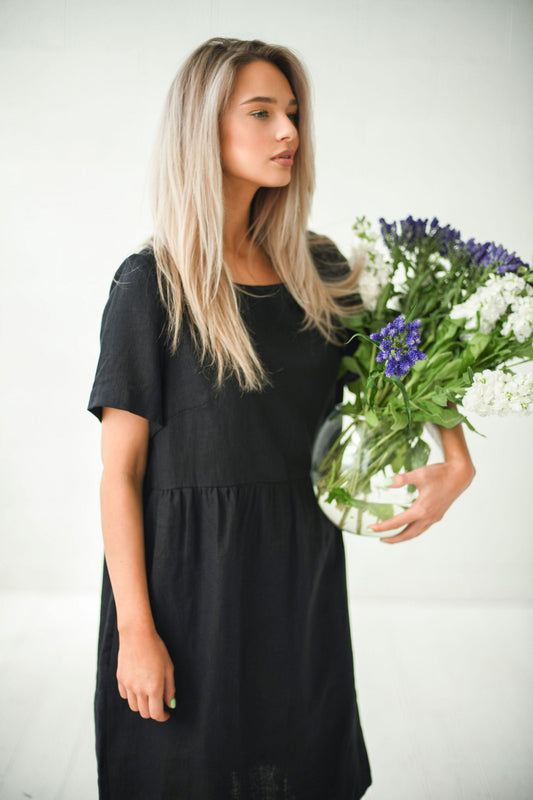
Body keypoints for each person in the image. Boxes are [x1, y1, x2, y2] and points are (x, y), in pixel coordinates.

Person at [88, 36, 475, 800]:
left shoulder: (318, 269)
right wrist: (136, 632)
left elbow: (415, 357)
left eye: (291, 112)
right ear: (202, 128)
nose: (288, 131)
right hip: (186, 588)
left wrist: (456, 459)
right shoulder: (150, 284)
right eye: (261, 112)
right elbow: (118, 476)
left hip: (299, 577)